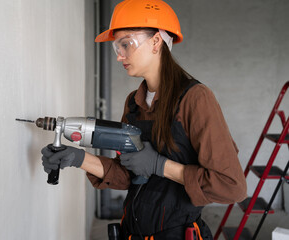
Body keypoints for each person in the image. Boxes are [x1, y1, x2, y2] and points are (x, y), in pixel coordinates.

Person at [41, 0, 247, 239]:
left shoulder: (195, 99)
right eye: (117, 48)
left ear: (156, 42)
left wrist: (160, 166)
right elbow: (128, 175)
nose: (120, 56)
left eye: (126, 44)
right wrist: (78, 158)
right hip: (132, 232)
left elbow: (231, 186)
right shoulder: (133, 102)